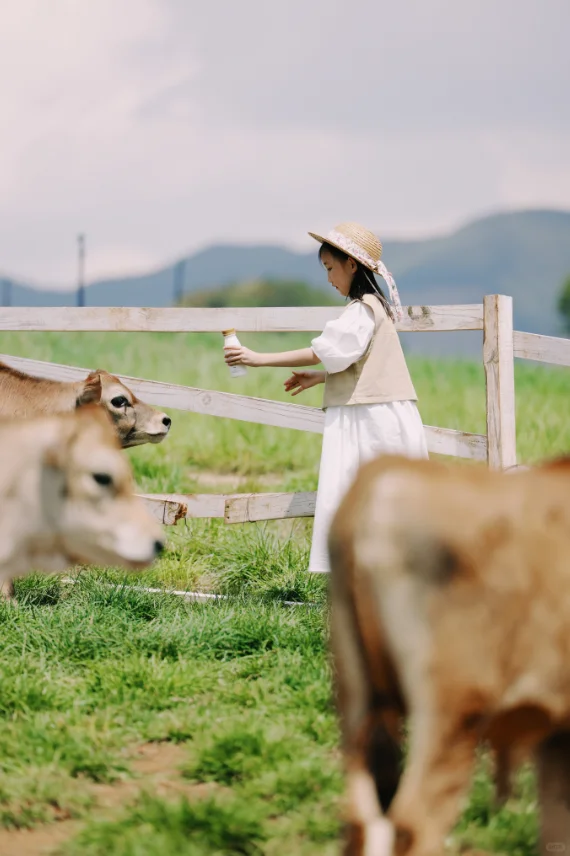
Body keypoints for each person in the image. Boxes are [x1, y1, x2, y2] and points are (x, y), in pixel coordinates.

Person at [224, 222, 428, 573]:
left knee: (363, 494)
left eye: (331, 268)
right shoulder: (371, 308)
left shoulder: (362, 310)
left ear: (352, 265)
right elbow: (359, 362)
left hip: (370, 418)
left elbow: (322, 351)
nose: (329, 278)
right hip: (378, 412)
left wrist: (258, 359)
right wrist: (321, 379)